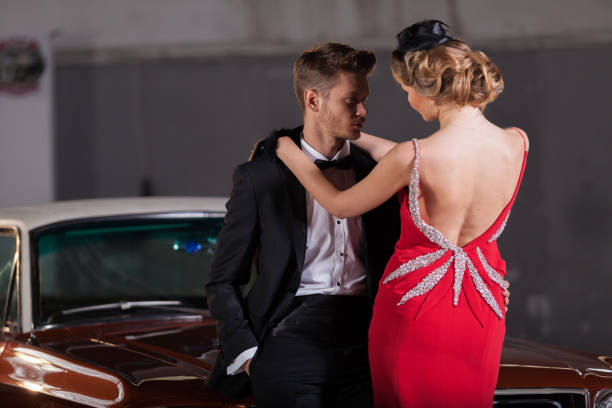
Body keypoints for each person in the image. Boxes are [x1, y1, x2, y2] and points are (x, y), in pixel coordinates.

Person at [275, 20, 527, 408]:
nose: (409, 100)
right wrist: (354, 135)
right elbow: (421, 162)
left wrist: (293, 156)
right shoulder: (515, 142)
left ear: (429, 92)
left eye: (407, 91)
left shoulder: (415, 156)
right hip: (482, 303)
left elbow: (342, 204)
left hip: (416, 310)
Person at [205, 42, 402, 407]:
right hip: (288, 337)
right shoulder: (260, 177)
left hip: (367, 341)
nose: (363, 110)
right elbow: (223, 280)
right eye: (351, 100)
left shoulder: (379, 172)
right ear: (313, 101)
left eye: (365, 99)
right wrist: (248, 356)